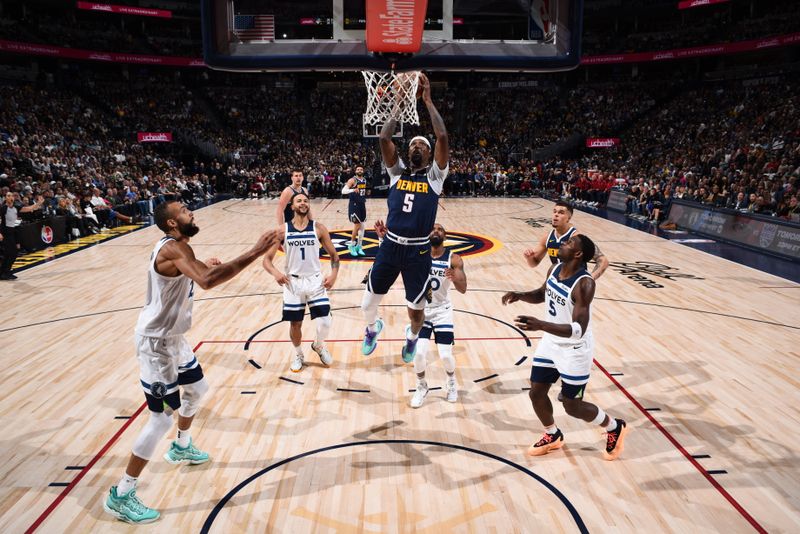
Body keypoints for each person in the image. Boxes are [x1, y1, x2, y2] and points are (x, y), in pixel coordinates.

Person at [104, 200, 278, 524]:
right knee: (160, 420)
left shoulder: (182, 246)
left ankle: (182, 446)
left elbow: (196, 271)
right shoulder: (172, 249)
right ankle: (122, 494)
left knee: (198, 388)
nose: (191, 212)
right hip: (155, 345)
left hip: (175, 340)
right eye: (184, 210)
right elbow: (207, 280)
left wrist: (204, 265)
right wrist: (254, 252)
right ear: (171, 224)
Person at [502, 234, 629, 461]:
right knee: (536, 392)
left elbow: (579, 328)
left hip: (575, 349)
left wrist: (540, 324)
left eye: (569, 243)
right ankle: (552, 435)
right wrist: (520, 295)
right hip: (551, 342)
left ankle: (614, 427)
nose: (563, 244)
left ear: (578, 254)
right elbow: (542, 294)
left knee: (572, 406)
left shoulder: (584, 283)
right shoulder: (555, 269)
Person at [360, 72, 449, 362]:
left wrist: (426, 99)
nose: (416, 147)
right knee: (366, 306)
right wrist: (398, 102)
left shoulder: (436, 177)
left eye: (421, 145)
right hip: (390, 246)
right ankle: (373, 329)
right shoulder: (397, 173)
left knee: (416, 310)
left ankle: (411, 338)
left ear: (429, 152)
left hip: (418, 251)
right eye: (412, 145)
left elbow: (442, 136)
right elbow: (385, 137)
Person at [263, 192, 340, 372]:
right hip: (293, 283)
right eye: (299, 201)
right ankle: (298, 354)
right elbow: (266, 260)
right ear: (292, 206)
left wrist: (334, 274)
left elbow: (334, 255)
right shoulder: (282, 230)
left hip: (315, 280)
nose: (303, 203)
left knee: (325, 323)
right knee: (295, 324)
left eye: (306, 201)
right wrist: (275, 273)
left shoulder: (319, 228)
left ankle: (319, 345)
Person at [409, 223, 467, 408]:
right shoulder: (419, 254)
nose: (436, 231)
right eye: (432, 228)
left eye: (440, 229)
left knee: (445, 356)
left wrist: (455, 278)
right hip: (422, 310)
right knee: (418, 354)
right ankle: (421, 386)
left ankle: (451, 382)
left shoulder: (454, 259)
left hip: (442, 310)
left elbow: (463, 288)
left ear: (445, 235)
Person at [523, 201, 609, 279]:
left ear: (569, 218)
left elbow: (603, 260)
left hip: (575, 284)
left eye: (561, 213)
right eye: (554, 211)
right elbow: (534, 263)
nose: (556, 215)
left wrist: (590, 278)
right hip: (557, 280)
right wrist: (529, 258)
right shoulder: (547, 237)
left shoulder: (577, 238)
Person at [1, 191, 44, 280]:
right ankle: (5, 272)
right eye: (8, 196)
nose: (10, 197)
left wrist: (38, 203)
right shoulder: (3, 208)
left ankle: (4, 272)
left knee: (11, 253)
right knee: (11, 253)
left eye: (12, 195)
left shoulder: (16, 207)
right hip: (4, 232)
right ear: (5, 198)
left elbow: (29, 208)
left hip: (12, 232)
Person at [342, 165, 368, 256]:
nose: (360, 170)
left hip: (362, 204)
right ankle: (352, 245)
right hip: (354, 205)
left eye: (361, 169)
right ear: (355, 171)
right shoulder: (352, 180)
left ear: (363, 171)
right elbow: (343, 191)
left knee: (362, 227)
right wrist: (352, 190)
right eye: (358, 169)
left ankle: (359, 246)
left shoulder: (364, 180)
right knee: (357, 226)